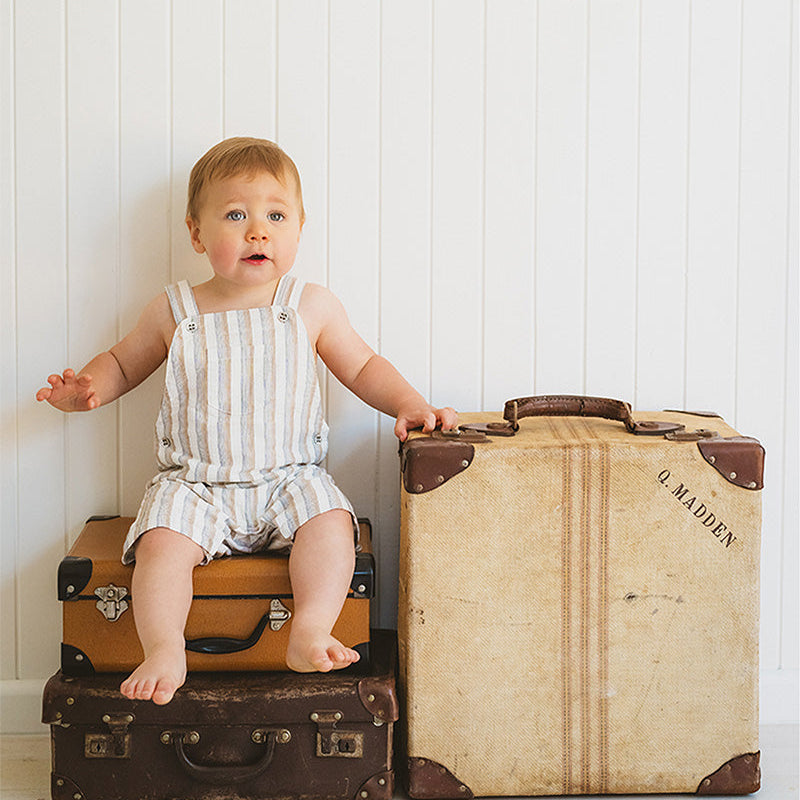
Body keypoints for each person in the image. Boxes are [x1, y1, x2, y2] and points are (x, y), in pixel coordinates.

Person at [37, 137, 457, 705]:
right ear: (196, 233)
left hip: (289, 477)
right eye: (236, 215)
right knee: (159, 546)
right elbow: (121, 362)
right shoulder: (174, 309)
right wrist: (88, 388)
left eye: (275, 216)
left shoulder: (309, 305)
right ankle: (164, 647)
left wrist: (409, 403)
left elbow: (362, 365)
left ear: (298, 228)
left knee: (332, 524)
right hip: (195, 484)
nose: (258, 230)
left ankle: (308, 628)